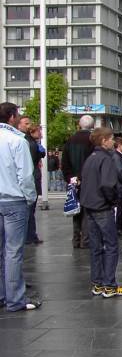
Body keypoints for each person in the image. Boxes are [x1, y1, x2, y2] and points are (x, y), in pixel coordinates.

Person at [0, 102, 41, 311]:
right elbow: (25, 176)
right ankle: (15, 299)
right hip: (14, 200)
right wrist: (30, 198)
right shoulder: (17, 140)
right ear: (12, 117)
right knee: (13, 251)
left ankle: (2, 294)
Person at [80, 126, 122, 298]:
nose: (114, 141)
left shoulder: (91, 158)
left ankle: (97, 283)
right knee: (111, 245)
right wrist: (113, 200)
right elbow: (108, 184)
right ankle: (109, 285)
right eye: (111, 138)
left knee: (96, 246)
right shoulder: (106, 159)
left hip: (89, 205)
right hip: (102, 206)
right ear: (103, 140)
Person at [62, 114, 95, 248]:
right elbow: (91, 162)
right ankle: (86, 239)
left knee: (75, 209)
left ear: (79, 125)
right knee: (87, 210)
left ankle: (76, 237)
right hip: (87, 180)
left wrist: (70, 178)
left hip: (73, 180)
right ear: (92, 126)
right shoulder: (91, 141)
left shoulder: (70, 141)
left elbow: (64, 162)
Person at [17, 118, 45, 245]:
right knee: (30, 210)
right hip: (32, 178)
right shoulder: (30, 144)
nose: (40, 134)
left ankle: (30, 235)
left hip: (32, 177)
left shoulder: (28, 142)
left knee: (29, 210)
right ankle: (30, 236)